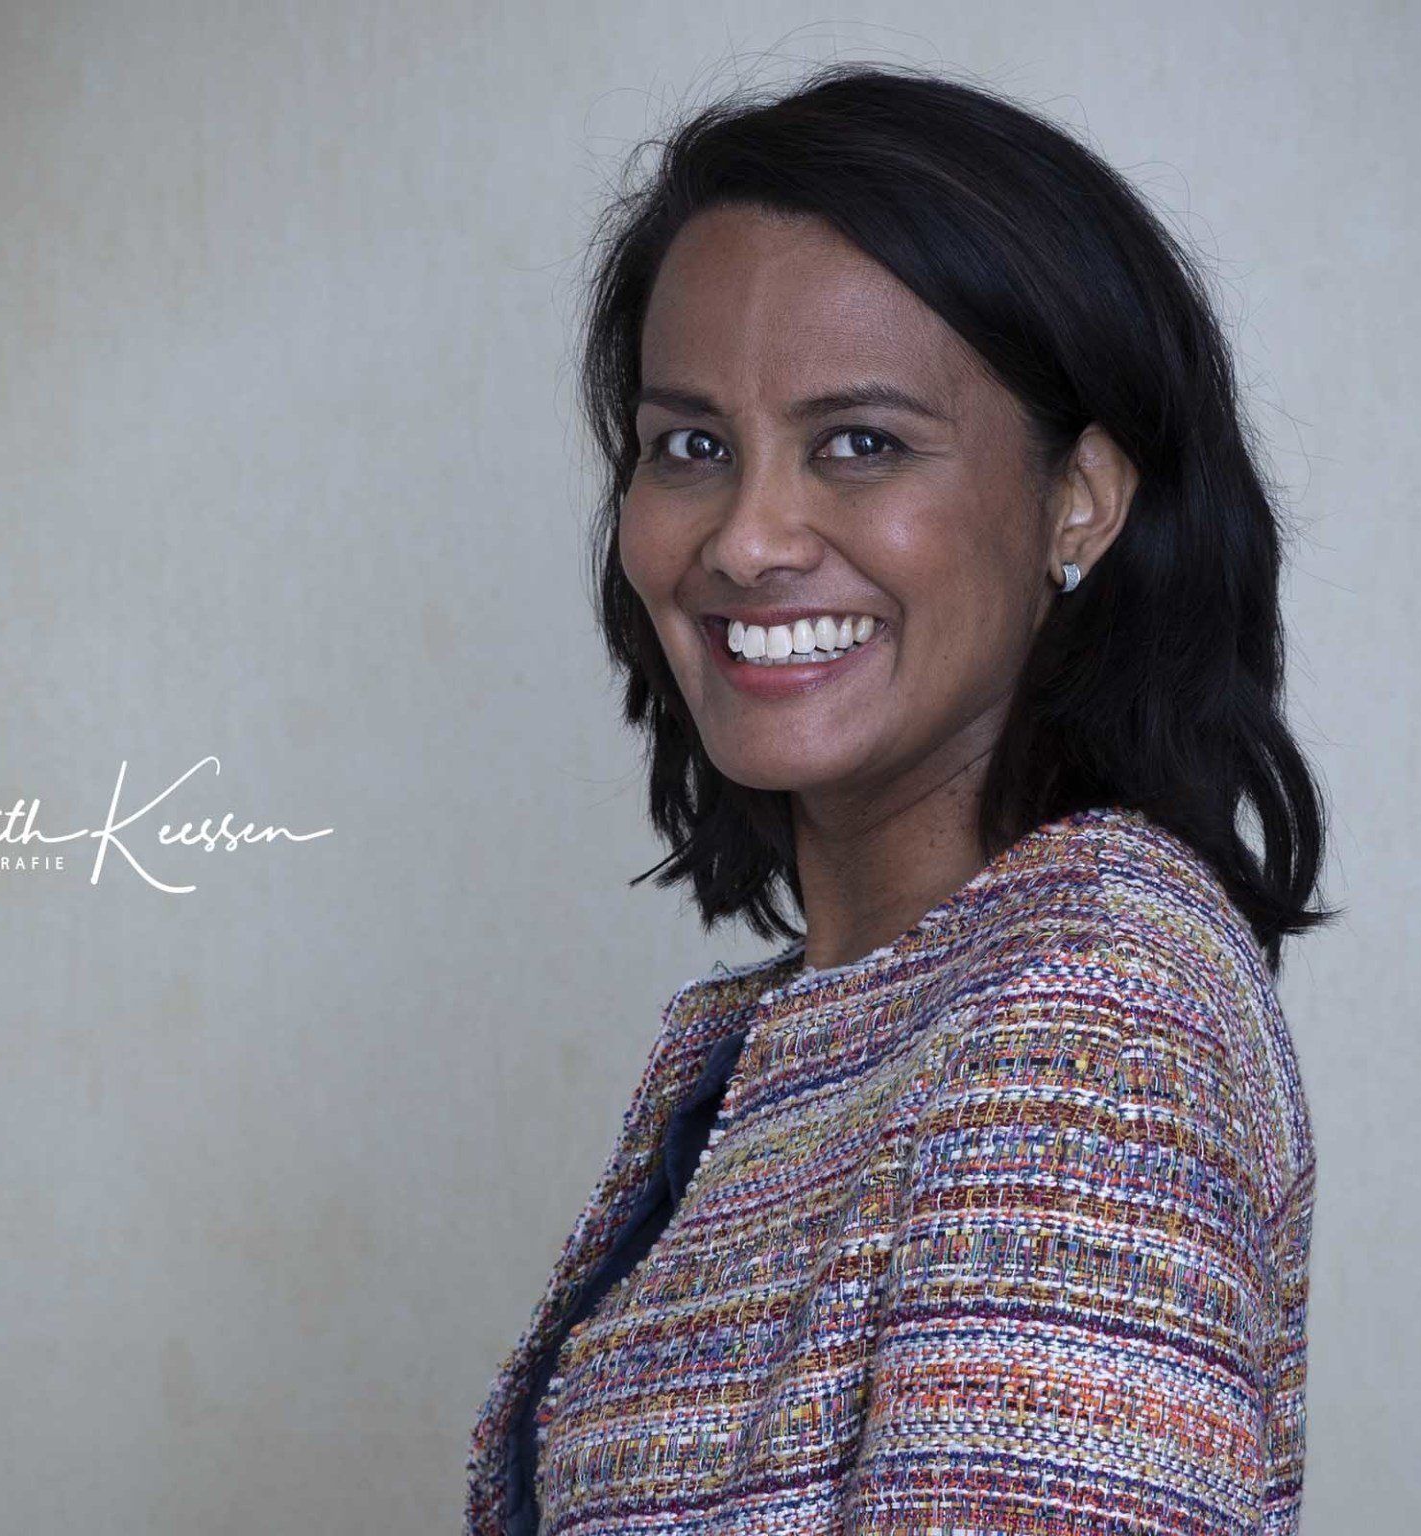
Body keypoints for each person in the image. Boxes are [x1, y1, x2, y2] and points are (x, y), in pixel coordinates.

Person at [467, 62, 1336, 1536]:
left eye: (860, 443)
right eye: (692, 447)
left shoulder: (1088, 1027)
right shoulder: (864, 1014)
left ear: (1082, 496)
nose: (747, 539)